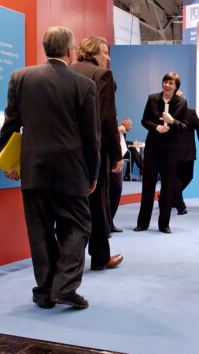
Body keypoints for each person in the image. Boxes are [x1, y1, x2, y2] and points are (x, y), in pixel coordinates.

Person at [0, 26, 100, 309]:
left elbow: (10, 124)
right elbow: (92, 137)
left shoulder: (20, 78)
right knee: (78, 226)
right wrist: (93, 173)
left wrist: (9, 162)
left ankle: (44, 292)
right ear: (70, 50)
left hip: (33, 169)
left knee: (40, 231)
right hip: (72, 171)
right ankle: (65, 286)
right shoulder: (84, 85)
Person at [70, 36, 124, 271]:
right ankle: (101, 257)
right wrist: (117, 154)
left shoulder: (69, 71)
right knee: (99, 202)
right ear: (93, 53)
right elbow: (106, 118)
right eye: (104, 52)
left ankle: (69, 256)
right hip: (94, 151)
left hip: (69, 150)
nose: (108, 57)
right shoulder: (102, 76)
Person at [135, 72, 188, 233]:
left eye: (171, 83)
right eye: (165, 81)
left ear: (176, 86)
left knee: (168, 187)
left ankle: (164, 224)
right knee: (148, 185)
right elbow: (144, 120)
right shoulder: (152, 98)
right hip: (152, 148)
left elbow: (184, 126)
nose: (167, 85)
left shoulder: (181, 102)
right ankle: (143, 223)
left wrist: (172, 121)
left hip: (171, 150)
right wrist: (156, 127)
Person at [173, 92, 199, 215]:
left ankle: (170, 196)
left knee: (188, 176)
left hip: (188, 152)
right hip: (173, 151)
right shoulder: (169, 113)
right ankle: (180, 205)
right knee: (176, 178)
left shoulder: (190, 112)